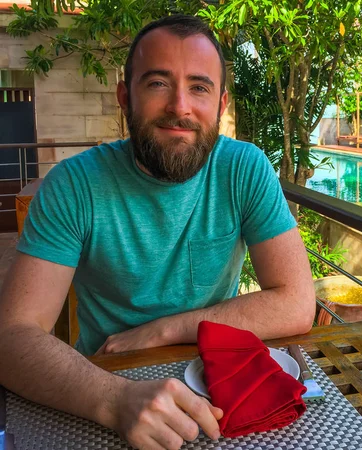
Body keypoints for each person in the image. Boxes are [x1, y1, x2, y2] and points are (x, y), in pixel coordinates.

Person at [0, 14, 315, 450]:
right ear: (125, 97)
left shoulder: (244, 169)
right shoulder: (74, 186)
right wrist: (116, 401)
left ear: (221, 105)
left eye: (199, 88)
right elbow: (12, 336)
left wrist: (164, 329)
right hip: (106, 382)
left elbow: (297, 302)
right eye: (157, 84)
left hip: (217, 379)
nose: (180, 107)